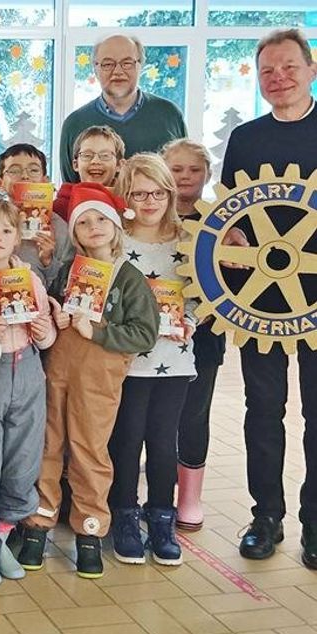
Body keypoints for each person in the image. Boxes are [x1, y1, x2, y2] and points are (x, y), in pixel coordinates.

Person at [13, 183, 158, 579]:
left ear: (115, 226)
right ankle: (38, 525)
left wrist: (99, 330)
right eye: (84, 222)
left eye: (101, 220)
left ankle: (90, 531)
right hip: (56, 370)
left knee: (90, 452)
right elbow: (50, 311)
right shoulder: (66, 271)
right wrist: (59, 319)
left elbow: (144, 334)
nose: (93, 227)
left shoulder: (129, 279)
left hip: (99, 379)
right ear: (73, 233)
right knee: (47, 445)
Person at [217, 28, 316, 568]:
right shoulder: (247, 139)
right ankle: (266, 516)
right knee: (263, 409)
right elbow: (231, 219)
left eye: (288, 67)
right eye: (268, 71)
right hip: (264, 303)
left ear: (311, 68)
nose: (278, 78)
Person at [108, 153, 197, 567]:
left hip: (174, 359)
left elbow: (199, 293)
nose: (148, 201)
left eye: (157, 192)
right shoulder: (115, 241)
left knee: (164, 442)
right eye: (139, 193)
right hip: (127, 361)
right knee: (126, 440)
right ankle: (124, 514)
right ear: (126, 195)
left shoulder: (187, 241)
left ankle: (162, 516)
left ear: (170, 193)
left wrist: (191, 320)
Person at [0, 198, 56, 586]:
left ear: (19, 237)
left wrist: (42, 330)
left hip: (29, 370)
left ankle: (0, 536)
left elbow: (49, 333)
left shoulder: (30, 277)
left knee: (22, 466)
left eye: (5, 230)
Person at [161, 138, 222, 531]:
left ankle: (189, 498)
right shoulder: (150, 216)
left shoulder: (222, 222)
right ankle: (157, 495)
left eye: (194, 170)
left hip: (205, 334)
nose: (185, 177)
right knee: (155, 416)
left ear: (208, 175)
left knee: (195, 414)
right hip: (156, 337)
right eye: (177, 169)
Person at [58, 34, 186, 182]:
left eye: (127, 63)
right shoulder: (75, 123)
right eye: (107, 64)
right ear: (95, 69)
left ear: (140, 66)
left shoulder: (170, 115)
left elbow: (183, 179)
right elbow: (70, 189)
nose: (118, 71)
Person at [0, 144, 74, 285]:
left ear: (45, 180)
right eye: (14, 171)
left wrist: (48, 260)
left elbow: (65, 285)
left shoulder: (59, 228)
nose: (25, 176)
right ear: (0, 184)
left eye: (34, 170)